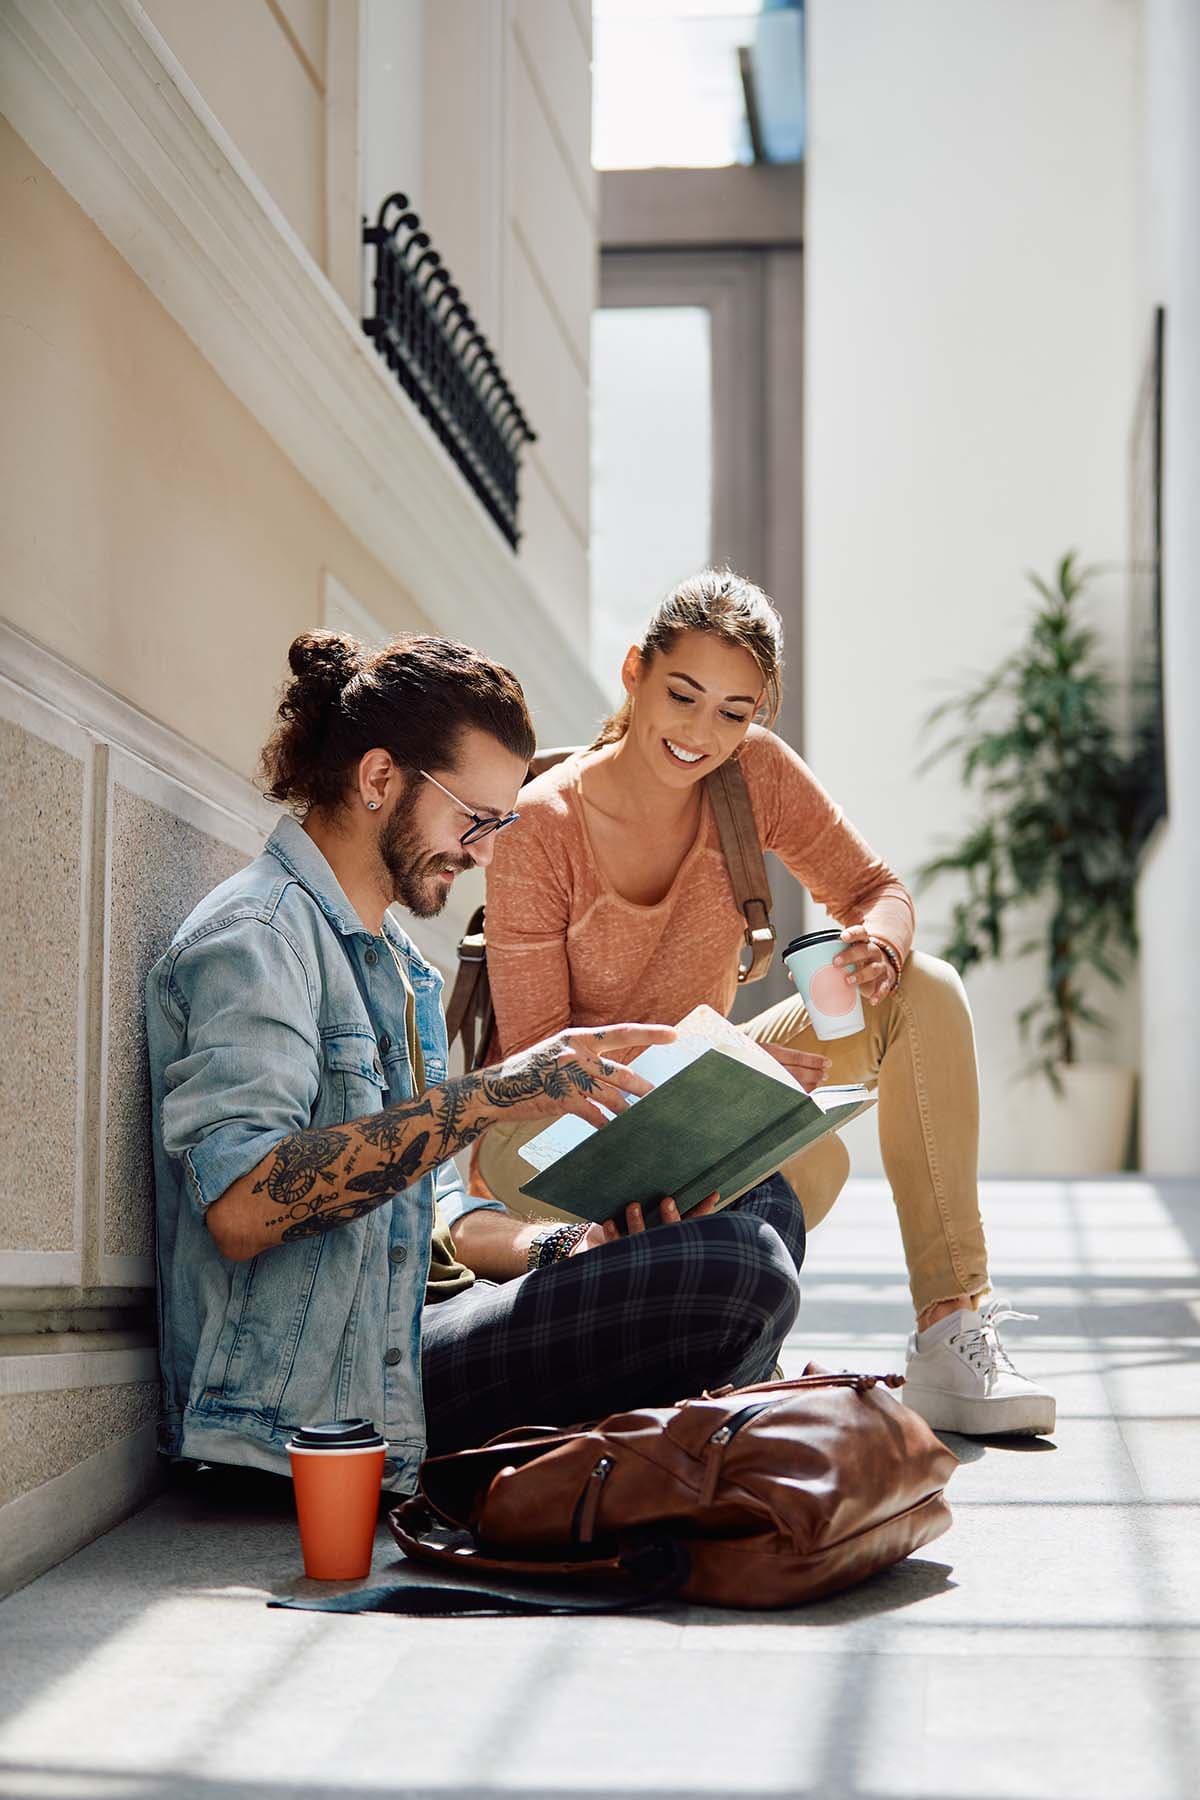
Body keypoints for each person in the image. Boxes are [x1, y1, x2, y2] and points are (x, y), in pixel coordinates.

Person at [147, 630, 805, 1492]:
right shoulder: (257, 941)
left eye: (501, 824)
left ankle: (683, 1443)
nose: (487, 853)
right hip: (317, 1409)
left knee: (758, 1210)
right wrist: (489, 1095)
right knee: (741, 1270)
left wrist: (570, 1245)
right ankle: (699, 1443)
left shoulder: (399, 970)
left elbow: (442, 1222)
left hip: (415, 1335)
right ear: (380, 780)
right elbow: (243, 1206)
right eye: (476, 819)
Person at [475, 570, 1056, 1437]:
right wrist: (716, 1070)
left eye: (735, 711)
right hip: (554, 1142)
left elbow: (875, 888)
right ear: (635, 671)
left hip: (710, 1101)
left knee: (924, 987)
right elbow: (539, 1058)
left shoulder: (755, 779)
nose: (703, 732)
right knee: (610, 1120)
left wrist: (878, 944)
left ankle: (950, 1331)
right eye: (683, 694)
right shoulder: (539, 828)